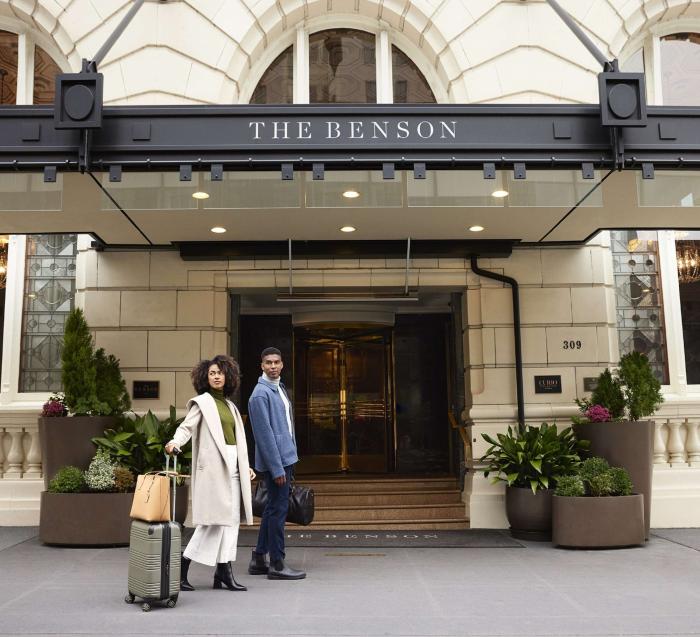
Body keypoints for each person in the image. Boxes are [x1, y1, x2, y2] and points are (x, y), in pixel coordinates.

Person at [165, 354, 255, 592]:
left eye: (220, 373)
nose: (216, 377)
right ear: (205, 377)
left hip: (233, 467)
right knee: (212, 524)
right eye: (212, 373)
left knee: (231, 522)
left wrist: (244, 466)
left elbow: (236, 441)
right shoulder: (202, 403)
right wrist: (174, 443)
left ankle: (223, 571)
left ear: (228, 376)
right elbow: (186, 427)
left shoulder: (230, 406)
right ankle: (182, 567)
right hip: (215, 470)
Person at [247, 347, 306, 580]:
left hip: (285, 458)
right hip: (277, 462)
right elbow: (264, 437)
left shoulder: (279, 388)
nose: (273, 366)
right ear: (261, 365)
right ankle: (277, 564)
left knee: (272, 508)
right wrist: (277, 468)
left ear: (282, 364)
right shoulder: (260, 394)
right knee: (278, 511)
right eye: (268, 363)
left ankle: (258, 558)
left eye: (276, 362)